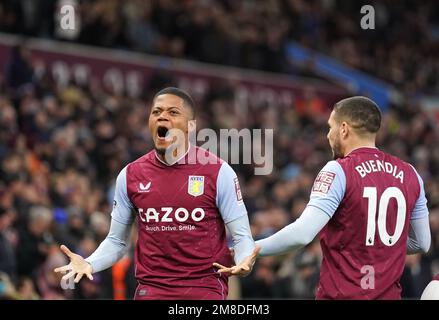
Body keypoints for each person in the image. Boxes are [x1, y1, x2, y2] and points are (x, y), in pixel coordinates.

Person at [54, 87, 259, 300]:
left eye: (173, 112)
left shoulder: (218, 172)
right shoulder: (130, 175)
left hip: (203, 290)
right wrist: (89, 263)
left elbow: (242, 236)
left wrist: (245, 259)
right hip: (151, 291)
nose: (162, 116)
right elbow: (117, 242)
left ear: (191, 126)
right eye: (156, 112)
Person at [218, 96, 431, 299]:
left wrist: (252, 250)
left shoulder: (339, 170)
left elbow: (303, 233)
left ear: (344, 129)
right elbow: (422, 243)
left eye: (330, 127)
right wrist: (380, 247)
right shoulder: (411, 174)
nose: (328, 135)